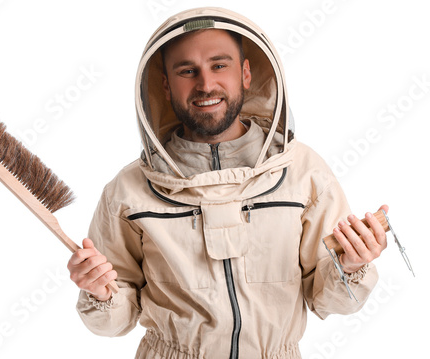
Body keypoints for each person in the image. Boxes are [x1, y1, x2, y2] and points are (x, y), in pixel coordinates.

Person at [67, 7, 387, 359]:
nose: (205, 84)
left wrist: (352, 266)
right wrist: (99, 292)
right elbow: (113, 323)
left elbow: (330, 301)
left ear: (246, 73)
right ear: (164, 85)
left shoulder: (304, 172)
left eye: (219, 65)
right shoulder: (127, 191)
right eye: (187, 71)